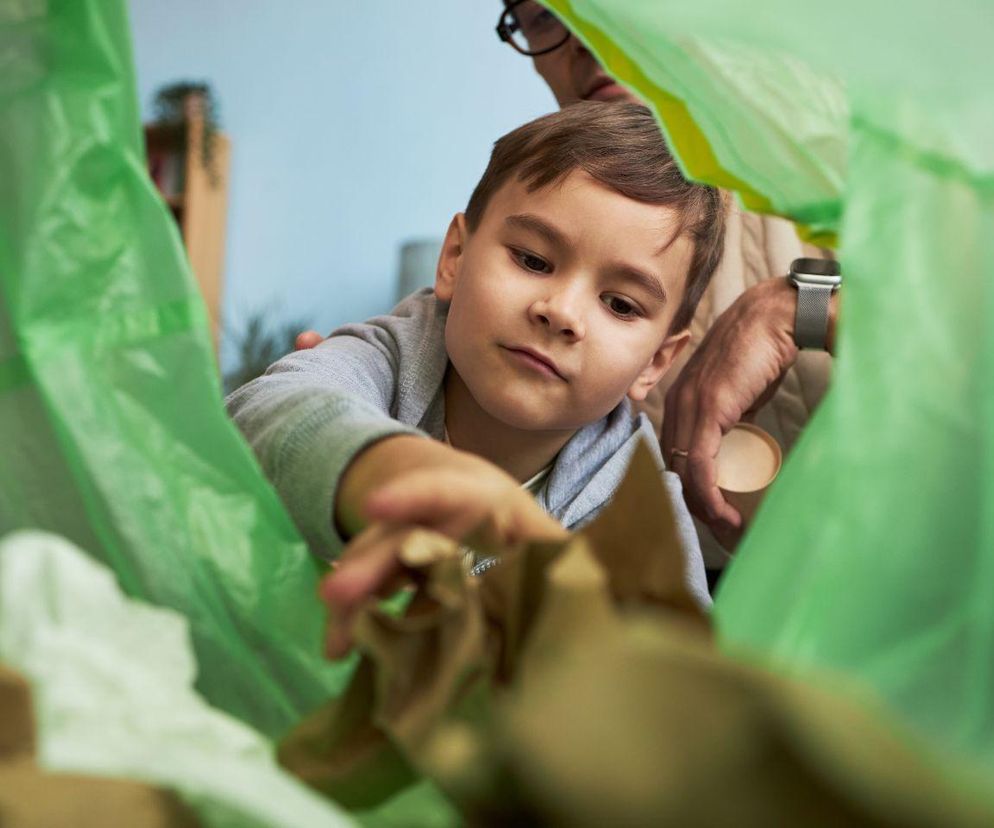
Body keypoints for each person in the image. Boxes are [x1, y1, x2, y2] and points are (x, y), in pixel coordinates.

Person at [228, 103, 724, 653]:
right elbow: (267, 413)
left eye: (620, 304)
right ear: (455, 258)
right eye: (534, 261)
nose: (560, 312)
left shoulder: (640, 505)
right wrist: (389, 470)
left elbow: (678, 671)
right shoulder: (383, 358)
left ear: (656, 362)